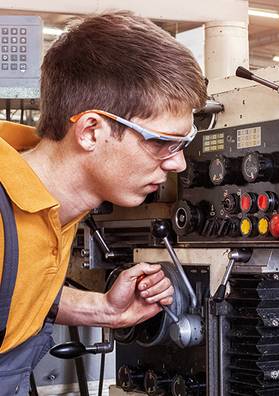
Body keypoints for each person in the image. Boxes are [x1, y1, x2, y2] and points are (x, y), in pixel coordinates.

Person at [0, 11, 207, 393]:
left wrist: (104, 310)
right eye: (161, 141)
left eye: (184, 142)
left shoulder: (48, 205)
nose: (178, 162)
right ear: (91, 130)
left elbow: (14, 293)